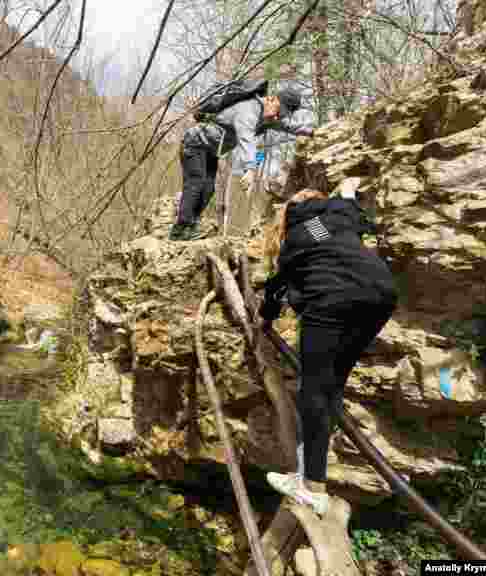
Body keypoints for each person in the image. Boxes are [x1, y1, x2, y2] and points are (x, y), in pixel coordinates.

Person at [258, 188, 397, 516]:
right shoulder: (339, 215)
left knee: (312, 391)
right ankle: (309, 472)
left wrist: (264, 318)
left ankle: (311, 487)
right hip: (381, 292)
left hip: (332, 296)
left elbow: (277, 287)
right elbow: (352, 200)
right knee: (331, 387)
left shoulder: (295, 236)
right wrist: (343, 195)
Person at [170, 84, 315, 242]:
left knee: (208, 188)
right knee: (196, 182)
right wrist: (250, 169)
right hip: (195, 142)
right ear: (272, 99)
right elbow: (246, 138)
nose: (277, 118)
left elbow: (289, 126)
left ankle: (191, 226)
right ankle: (180, 229)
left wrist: (312, 131)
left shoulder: (269, 116)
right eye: (279, 112)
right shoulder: (248, 109)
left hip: (210, 150)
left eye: (282, 115)